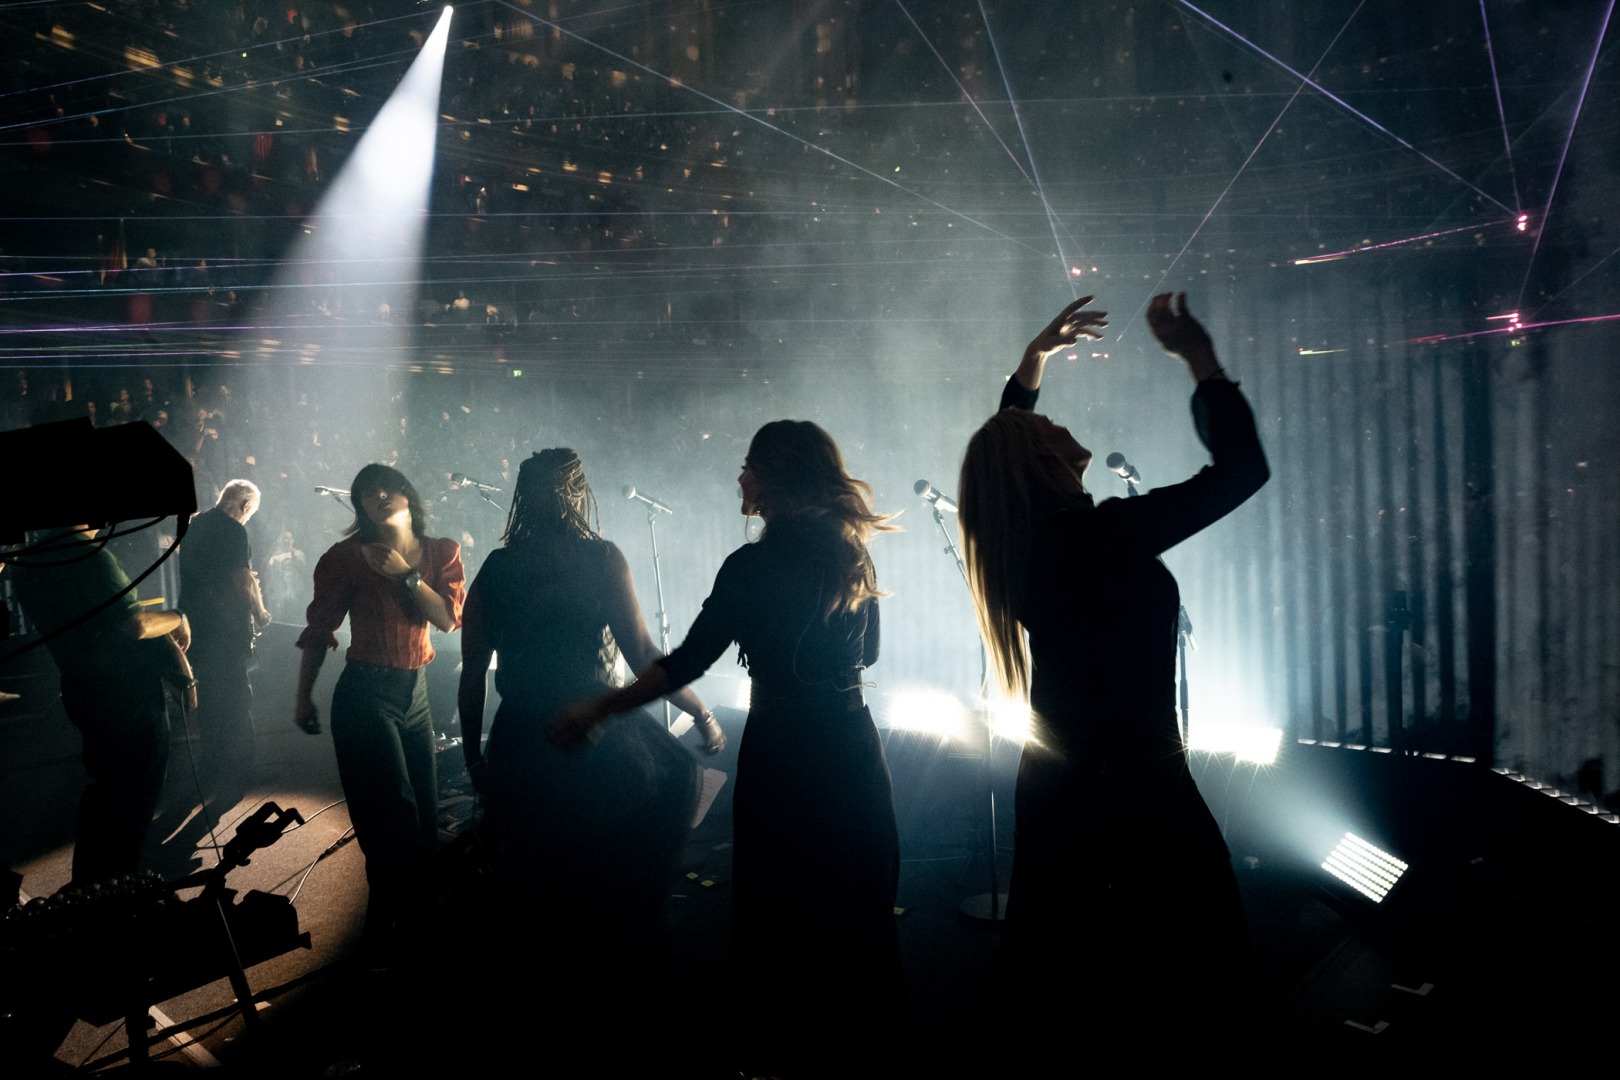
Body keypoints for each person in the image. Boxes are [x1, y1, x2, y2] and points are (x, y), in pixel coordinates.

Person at [957, 293, 1270, 1040]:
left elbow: (1004, 443)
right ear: (1042, 457)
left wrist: (1033, 363)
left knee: (1072, 978)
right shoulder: (1093, 539)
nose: (1060, 422)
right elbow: (1242, 471)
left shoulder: (1028, 541)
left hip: (1071, 781)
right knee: (1166, 977)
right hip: (1128, 789)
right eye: (1046, 425)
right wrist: (1200, 360)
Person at [555, 422, 901, 1070]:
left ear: (775, 477)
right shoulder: (853, 553)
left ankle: (778, 1058)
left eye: (748, 466)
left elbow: (683, 664)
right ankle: (866, 1057)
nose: (739, 478)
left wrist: (604, 706)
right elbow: (874, 651)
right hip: (852, 747)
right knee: (858, 904)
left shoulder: (750, 568)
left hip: (783, 752)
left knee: (778, 909)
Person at [456, 450, 723, 1030]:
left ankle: (547, 1010)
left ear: (522, 497)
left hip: (521, 736)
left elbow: (472, 672)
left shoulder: (497, 568)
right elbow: (643, 655)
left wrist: (476, 756)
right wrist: (701, 713)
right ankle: (622, 1004)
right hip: (592, 731)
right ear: (579, 494)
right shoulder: (602, 558)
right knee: (621, 858)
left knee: (537, 879)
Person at [294, 464, 464, 948]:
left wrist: (405, 574)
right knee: (396, 817)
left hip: (417, 695)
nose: (380, 496)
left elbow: (449, 620)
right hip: (365, 695)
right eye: (368, 494)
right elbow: (320, 631)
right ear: (359, 507)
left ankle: (388, 927)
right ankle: (397, 933)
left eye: (387, 487)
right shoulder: (346, 558)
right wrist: (303, 695)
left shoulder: (441, 552)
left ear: (408, 493)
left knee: (426, 826)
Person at [10, 525, 195, 886]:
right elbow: (135, 624)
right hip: (128, 695)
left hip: (82, 689)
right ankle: (119, 894)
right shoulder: (87, 554)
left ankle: (91, 891)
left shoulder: (25, 563)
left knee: (106, 792)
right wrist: (179, 618)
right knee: (134, 798)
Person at [179, 480, 271, 796]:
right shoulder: (234, 530)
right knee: (236, 697)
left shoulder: (195, 524)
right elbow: (242, 582)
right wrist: (260, 611)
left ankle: (211, 768)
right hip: (226, 628)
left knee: (210, 699)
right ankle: (241, 772)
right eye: (251, 513)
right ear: (244, 505)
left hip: (196, 627)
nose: (248, 519)